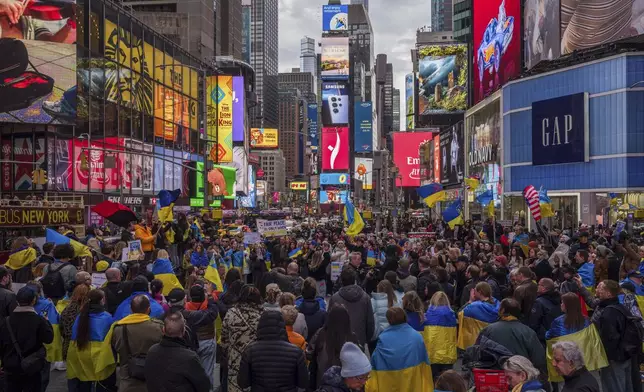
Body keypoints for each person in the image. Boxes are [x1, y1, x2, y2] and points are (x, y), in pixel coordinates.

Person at [237, 310, 308, 391]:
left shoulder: (250, 350)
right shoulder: (296, 352)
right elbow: (303, 383)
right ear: (282, 325)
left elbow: (243, 382)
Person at [0, 286, 54, 392]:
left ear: (17, 300)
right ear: (33, 300)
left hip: (10, 366)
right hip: (32, 367)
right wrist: (47, 322)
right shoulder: (39, 320)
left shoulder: (6, 322)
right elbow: (48, 339)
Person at [367, 307, 432, 390]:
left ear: (388, 320)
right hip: (413, 383)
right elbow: (425, 365)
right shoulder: (417, 337)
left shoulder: (383, 339)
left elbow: (375, 364)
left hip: (388, 384)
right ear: (405, 317)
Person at [144, 312, 211, 392]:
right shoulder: (189, 358)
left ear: (163, 330)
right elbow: (204, 386)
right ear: (184, 331)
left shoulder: (152, 351)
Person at [66, 289, 117, 391]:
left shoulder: (80, 316)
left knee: (84, 382)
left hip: (80, 353)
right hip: (99, 356)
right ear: (102, 300)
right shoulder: (107, 318)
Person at [111, 294, 163, 392]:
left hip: (127, 382)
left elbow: (114, 351)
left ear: (131, 309)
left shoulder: (118, 329)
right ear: (148, 309)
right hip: (151, 381)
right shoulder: (158, 328)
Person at [478, 298, 546, 372]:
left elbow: (477, 353)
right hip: (520, 375)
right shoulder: (529, 332)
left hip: (493, 376)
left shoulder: (488, 329)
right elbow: (539, 359)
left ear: (502, 310)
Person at [593, 280, 634, 392]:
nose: (596, 289)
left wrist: (606, 356)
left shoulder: (608, 312)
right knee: (625, 385)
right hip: (625, 354)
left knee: (613, 386)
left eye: (600, 288)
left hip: (613, 358)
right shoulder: (620, 307)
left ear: (609, 294)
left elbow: (609, 338)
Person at [221, 284, 263, 392]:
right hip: (258, 359)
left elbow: (224, 338)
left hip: (235, 360)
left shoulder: (231, 313)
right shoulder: (263, 315)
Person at [307, 305, 358, 389]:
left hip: (322, 380)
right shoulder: (351, 337)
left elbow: (309, 353)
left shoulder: (321, 333)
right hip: (345, 381)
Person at [328, 269, 374, 350]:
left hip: (339, 340)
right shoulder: (365, 297)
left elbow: (329, 321)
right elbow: (370, 321)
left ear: (341, 281)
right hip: (359, 340)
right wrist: (366, 338)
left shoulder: (335, 298)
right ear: (354, 280)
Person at [424, 291, 457, 378]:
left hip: (432, 354)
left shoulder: (427, 315)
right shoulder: (451, 315)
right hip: (448, 354)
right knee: (447, 382)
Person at [60, 283, 90, 362]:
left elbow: (62, 326)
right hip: (82, 345)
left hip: (68, 344)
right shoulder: (87, 309)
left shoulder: (68, 308)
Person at [528, 278, 562, 343]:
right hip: (557, 334)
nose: (537, 286)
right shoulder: (559, 299)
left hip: (543, 338)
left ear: (544, 288)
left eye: (539, 285)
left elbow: (534, 323)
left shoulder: (539, 302)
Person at [370, 280, 400, 348]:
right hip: (392, 334)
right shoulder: (395, 301)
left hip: (378, 335)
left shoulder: (373, 301)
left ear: (378, 288)